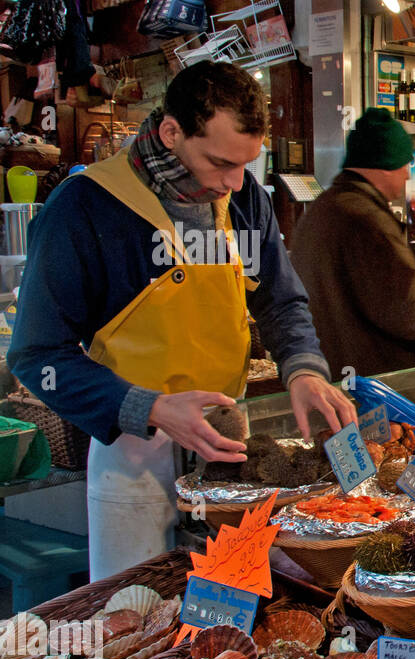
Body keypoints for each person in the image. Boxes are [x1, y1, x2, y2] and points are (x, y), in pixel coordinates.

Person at [8, 61, 354, 579]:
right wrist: (150, 408)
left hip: (232, 449)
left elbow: (280, 301)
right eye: (220, 163)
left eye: (246, 165)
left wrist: (303, 368)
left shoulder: (243, 200)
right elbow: (36, 356)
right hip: (134, 454)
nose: (235, 183)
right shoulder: (83, 208)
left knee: (232, 619)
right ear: (171, 132)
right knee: (138, 615)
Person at [292, 108, 415, 380]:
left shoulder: (322, 209)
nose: (408, 175)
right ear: (384, 164)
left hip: (332, 380)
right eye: (404, 164)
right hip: (371, 389)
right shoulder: (367, 220)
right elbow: (412, 309)